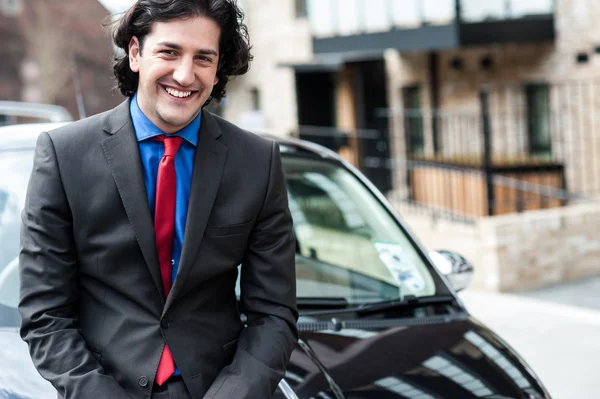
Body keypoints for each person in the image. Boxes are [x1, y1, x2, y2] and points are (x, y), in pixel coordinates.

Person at [18, 1, 298, 398]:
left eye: (204, 57)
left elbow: (273, 313)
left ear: (218, 68)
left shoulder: (258, 163)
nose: (185, 74)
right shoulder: (64, 155)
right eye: (169, 52)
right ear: (135, 53)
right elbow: (45, 315)